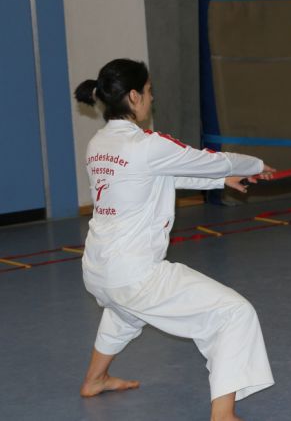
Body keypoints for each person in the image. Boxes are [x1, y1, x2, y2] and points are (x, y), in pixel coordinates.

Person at [74, 59, 274, 421]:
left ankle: (95, 379)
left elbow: (161, 175)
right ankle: (223, 414)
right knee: (233, 313)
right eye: (149, 91)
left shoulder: (98, 143)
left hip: (99, 269)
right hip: (135, 273)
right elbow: (210, 160)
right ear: (134, 96)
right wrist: (255, 165)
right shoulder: (147, 144)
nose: (152, 98)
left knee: (124, 312)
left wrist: (219, 181)